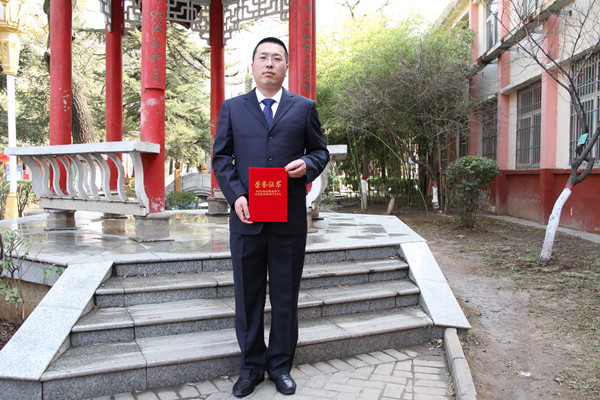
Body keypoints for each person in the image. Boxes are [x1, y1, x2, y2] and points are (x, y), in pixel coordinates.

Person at [212, 37, 330, 397]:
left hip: (288, 221)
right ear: (252, 66)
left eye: (277, 58)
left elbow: (320, 152)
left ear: (285, 67)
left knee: (284, 297)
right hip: (247, 219)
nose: (269, 63)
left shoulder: (304, 108)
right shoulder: (233, 108)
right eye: (262, 57)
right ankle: (250, 369)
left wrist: (307, 164)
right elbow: (221, 158)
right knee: (247, 299)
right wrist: (236, 196)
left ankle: (280, 367)